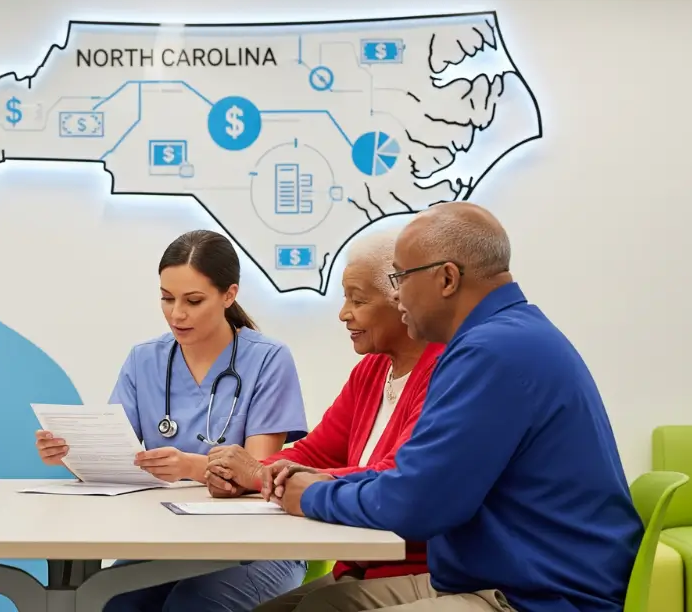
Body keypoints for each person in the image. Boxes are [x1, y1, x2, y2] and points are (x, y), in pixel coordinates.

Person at [258, 202, 643, 612]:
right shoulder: (505, 338)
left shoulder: (491, 352)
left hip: (537, 597)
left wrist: (313, 495)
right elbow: (415, 481)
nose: (398, 293)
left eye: (401, 277)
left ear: (447, 278)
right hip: (493, 578)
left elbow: (416, 504)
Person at [35, 229, 310, 612]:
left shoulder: (268, 360)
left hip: (255, 544)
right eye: (167, 298)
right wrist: (69, 454)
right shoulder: (144, 359)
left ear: (229, 295)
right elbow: (116, 457)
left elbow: (257, 473)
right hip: (166, 538)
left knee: (193, 606)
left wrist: (188, 466)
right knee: (110, 602)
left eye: (193, 301)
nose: (176, 314)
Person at [203, 231, 444, 585]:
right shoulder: (372, 371)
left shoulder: (443, 373)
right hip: (359, 569)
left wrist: (258, 476)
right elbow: (315, 452)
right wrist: (242, 476)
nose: (344, 314)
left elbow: (391, 476)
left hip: (409, 570)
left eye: (358, 301)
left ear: (401, 299)